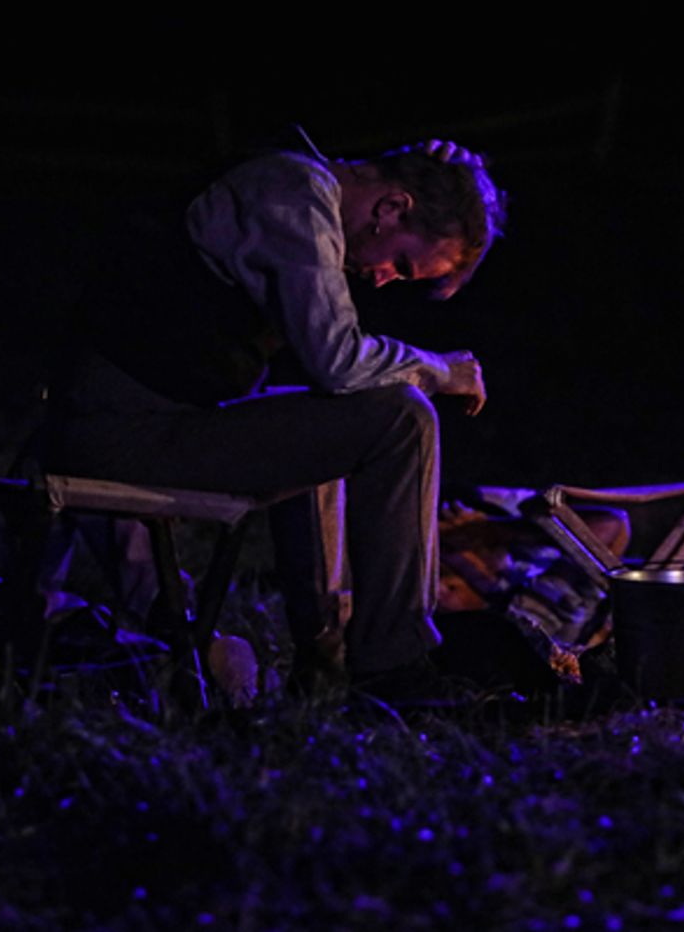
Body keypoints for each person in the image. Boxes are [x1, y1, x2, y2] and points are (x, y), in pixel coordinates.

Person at [43, 132, 507, 698]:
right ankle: (395, 665)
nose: (385, 278)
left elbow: (334, 375)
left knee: (346, 414)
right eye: (403, 263)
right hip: (120, 430)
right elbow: (336, 358)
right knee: (401, 417)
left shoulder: (298, 190)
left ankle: (326, 659)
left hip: (152, 420)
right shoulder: (294, 194)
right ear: (391, 207)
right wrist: (438, 369)